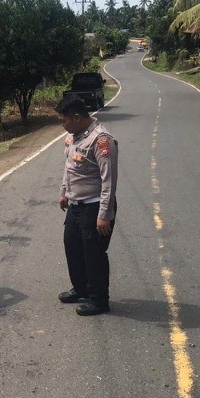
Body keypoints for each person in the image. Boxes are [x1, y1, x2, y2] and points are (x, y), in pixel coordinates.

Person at [56, 94, 118, 315]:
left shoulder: (102, 140)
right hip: (76, 205)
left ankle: (99, 300)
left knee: (94, 255)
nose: (63, 126)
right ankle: (81, 289)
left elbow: (109, 180)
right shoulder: (73, 137)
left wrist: (104, 215)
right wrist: (64, 192)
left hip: (94, 207)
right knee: (72, 248)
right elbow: (69, 167)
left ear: (76, 117)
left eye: (64, 121)